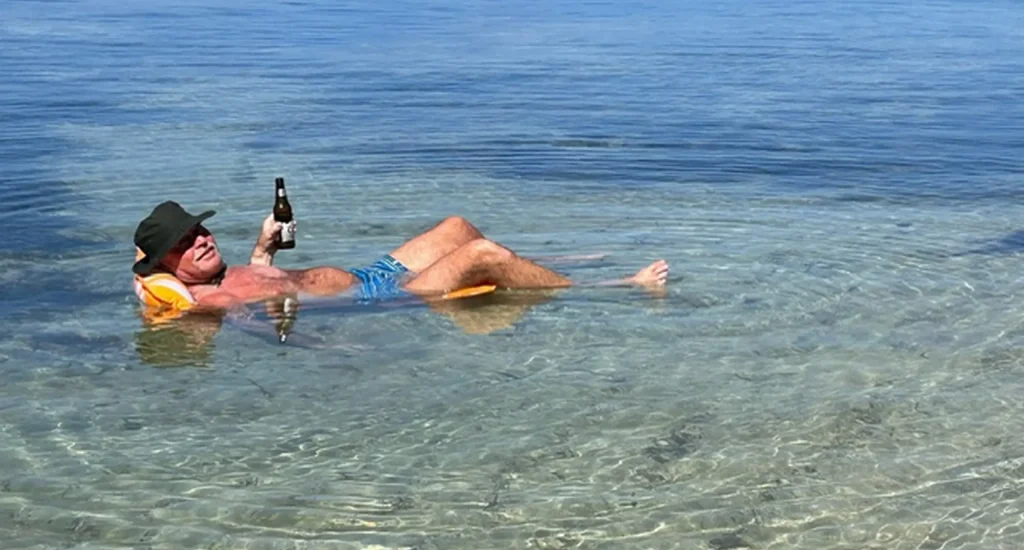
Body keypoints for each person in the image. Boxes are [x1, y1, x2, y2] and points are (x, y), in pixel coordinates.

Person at [132, 201, 670, 311]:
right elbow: (249, 320)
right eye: (186, 242)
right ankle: (618, 288)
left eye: (200, 231)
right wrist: (327, 346)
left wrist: (262, 248)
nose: (202, 239)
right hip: (386, 295)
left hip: (371, 272)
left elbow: (270, 283)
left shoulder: (230, 271)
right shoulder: (209, 298)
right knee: (479, 252)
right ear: (165, 264)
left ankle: (546, 265)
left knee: (457, 226)